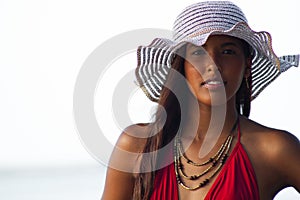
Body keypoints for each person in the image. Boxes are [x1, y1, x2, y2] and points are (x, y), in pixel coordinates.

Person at [102, 1, 300, 199]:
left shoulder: (273, 149)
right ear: (182, 66)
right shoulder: (137, 146)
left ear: (247, 65)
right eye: (198, 52)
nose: (213, 64)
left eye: (227, 51)